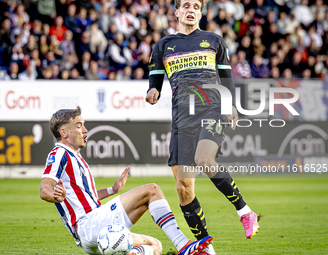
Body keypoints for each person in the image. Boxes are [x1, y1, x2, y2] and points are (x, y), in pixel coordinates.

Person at [145, 0, 260, 254]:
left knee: (204, 159)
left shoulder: (214, 40)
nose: (191, 10)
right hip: (181, 120)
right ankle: (205, 247)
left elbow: (227, 78)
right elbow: (155, 78)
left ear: (200, 12)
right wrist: (152, 90)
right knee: (183, 188)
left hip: (212, 109)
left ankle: (245, 212)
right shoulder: (163, 45)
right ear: (176, 12)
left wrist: (230, 105)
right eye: (186, 5)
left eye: (196, 6)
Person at [40, 107, 213, 255]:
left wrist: (112, 190)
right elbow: (44, 189)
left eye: (84, 125)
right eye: (79, 126)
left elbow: (86, 196)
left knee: (155, 246)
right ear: (63, 133)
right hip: (89, 224)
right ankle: (183, 244)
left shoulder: (74, 156)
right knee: (152, 190)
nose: (85, 130)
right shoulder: (60, 153)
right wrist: (55, 195)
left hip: (89, 237)